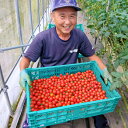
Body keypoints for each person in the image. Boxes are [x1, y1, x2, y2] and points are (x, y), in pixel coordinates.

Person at [20, 0, 112, 128]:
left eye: (72, 16)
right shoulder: (42, 38)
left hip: (72, 79)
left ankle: (100, 120)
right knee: (36, 108)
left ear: (76, 17)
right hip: (47, 80)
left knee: (95, 97)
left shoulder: (79, 35)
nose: (67, 22)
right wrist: (22, 71)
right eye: (62, 16)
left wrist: (104, 69)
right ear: (53, 16)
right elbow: (26, 59)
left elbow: (92, 55)